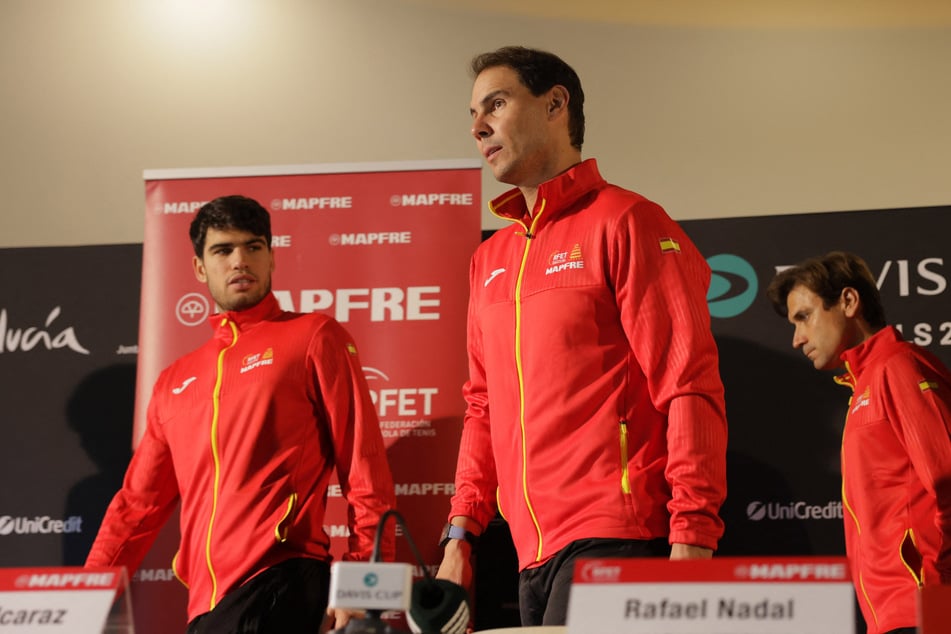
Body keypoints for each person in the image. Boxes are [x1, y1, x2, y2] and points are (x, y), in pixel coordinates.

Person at [436, 46, 729, 626]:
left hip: (618, 537)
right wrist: (459, 536)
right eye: (472, 114)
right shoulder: (489, 259)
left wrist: (692, 537)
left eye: (495, 103)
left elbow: (689, 385)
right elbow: (483, 407)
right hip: (528, 552)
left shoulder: (628, 221)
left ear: (555, 104)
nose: (477, 127)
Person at [85, 195, 396, 633]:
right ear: (199, 267)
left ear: (272, 257)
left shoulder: (313, 336)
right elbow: (137, 507)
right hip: (205, 606)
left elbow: (364, 468)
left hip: (281, 579)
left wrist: (367, 594)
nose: (240, 261)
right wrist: (85, 599)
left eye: (254, 247)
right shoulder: (175, 380)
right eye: (223, 250)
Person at [767, 250, 951, 634]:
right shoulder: (864, 384)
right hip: (891, 615)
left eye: (804, 317)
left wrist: (939, 602)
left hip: (922, 607)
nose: (797, 339)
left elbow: (946, 481)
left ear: (849, 302)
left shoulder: (898, 367)